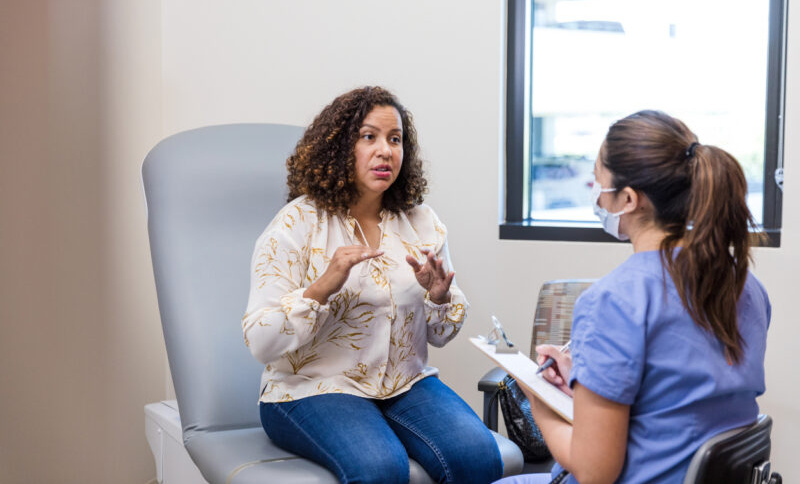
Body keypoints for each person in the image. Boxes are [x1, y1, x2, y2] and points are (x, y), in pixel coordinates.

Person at [242, 86, 503, 484]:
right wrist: (321, 288)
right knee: (380, 468)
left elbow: (440, 335)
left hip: (404, 384)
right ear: (339, 148)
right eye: (369, 137)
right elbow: (260, 342)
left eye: (395, 139)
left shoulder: (422, 223)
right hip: (310, 388)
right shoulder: (296, 224)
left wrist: (439, 297)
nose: (386, 151)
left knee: (480, 457)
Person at [496, 110, 771, 484]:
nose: (595, 194)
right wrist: (588, 380)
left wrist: (537, 399)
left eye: (598, 182)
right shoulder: (744, 285)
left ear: (627, 198)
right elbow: (678, 400)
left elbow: (595, 471)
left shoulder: (613, 301)